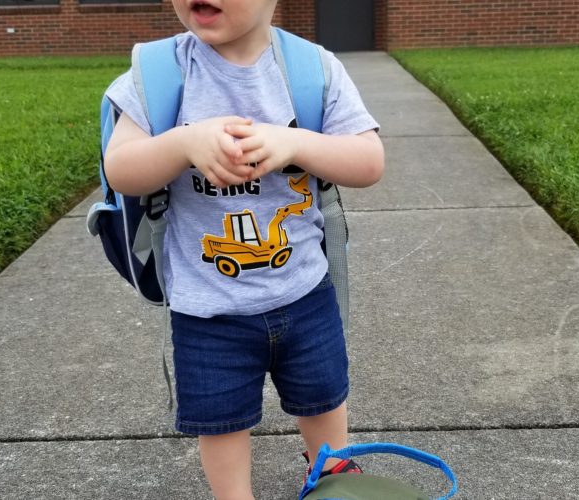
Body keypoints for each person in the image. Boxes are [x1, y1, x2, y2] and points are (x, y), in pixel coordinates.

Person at [103, 1, 384, 498]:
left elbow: (367, 161)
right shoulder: (160, 73)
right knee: (221, 421)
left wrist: (294, 143)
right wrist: (183, 142)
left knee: (323, 397)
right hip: (208, 309)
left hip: (304, 292)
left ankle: (332, 473)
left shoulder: (310, 69)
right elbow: (121, 169)